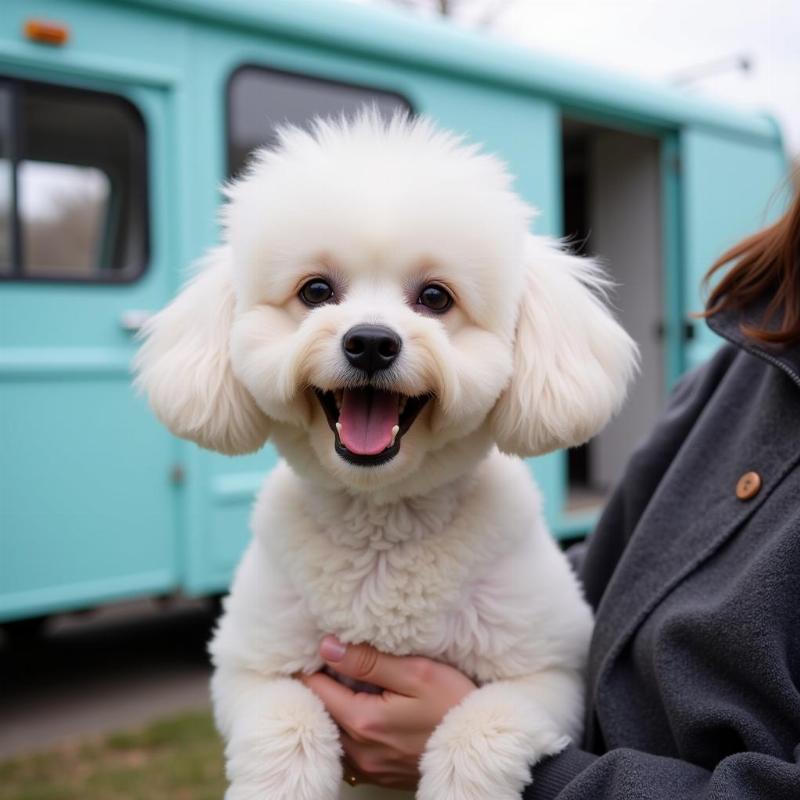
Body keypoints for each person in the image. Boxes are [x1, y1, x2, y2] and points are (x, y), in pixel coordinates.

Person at [301, 185, 800, 799]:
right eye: (319, 292)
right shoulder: (745, 362)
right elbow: (617, 569)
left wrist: (526, 771)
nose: (371, 329)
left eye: (434, 299)